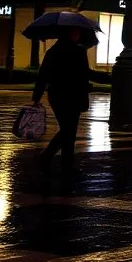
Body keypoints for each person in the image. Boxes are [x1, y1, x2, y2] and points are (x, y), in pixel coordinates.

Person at [32, 27, 91, 178]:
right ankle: (50, 157)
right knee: (69, 131)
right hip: (73, 95)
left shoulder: (53, 51)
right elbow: (84, 75)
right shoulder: (79, 51)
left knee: (67, 130)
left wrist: (37, 96)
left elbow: (43, 75)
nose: (78, 34)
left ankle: (64, 164)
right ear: (71, 33)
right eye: (76, 32)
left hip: (57, 95)